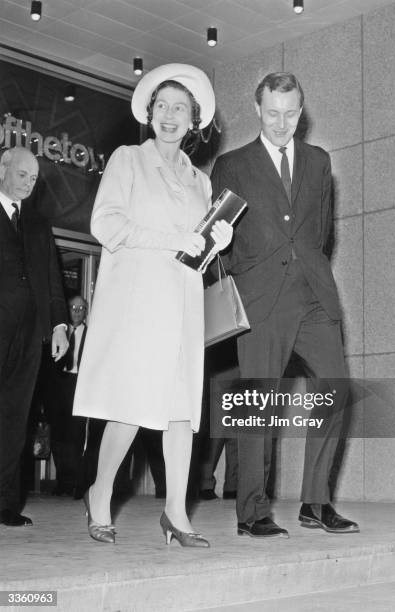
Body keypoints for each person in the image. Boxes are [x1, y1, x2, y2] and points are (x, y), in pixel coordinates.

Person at [73, 63, 232, 547]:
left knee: (183, 412)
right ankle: (99, 495)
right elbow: (107, 225)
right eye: (161, 106)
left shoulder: (202, 184)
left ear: (194, 121)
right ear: (150, 113)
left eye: (179, 108)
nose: (169, 115)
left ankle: (176, 513)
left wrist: (214, 243)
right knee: (132, 406)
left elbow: (193, 252)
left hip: (183, 307)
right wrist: (173, 238)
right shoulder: (127, 160)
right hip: (139, 305)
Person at [210, 72, 359, 538]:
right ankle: (252, 511)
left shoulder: (318, 161)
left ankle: (315, 503)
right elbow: (221, 239)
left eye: (290, 113)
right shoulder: (233, 164)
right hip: (260, 297)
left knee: (335, 390)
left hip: (314, 293)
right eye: (272, 113)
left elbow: (321, 232)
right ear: (258, 109)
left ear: (301, 109)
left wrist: (307, 265)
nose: (281, 122)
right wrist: (246, 274)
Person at [0, 146, 68, 527]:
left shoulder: (39, 223)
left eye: (33, 179)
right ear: (3, 168)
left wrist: (59, 325)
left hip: (28, 337)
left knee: (15, 418)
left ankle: (5, 503)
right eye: (23, 175)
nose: (29, 184)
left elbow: (53, 279)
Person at [50, 295, 88, 497]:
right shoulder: (57, 334)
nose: (76, 311)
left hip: (79, 387)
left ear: (86, 312)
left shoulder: (92, 335)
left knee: (76, 436)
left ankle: (75, 482)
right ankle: (62, 481)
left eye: (81, 308)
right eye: (73, 307)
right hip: (59, 386)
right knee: (58, 436)